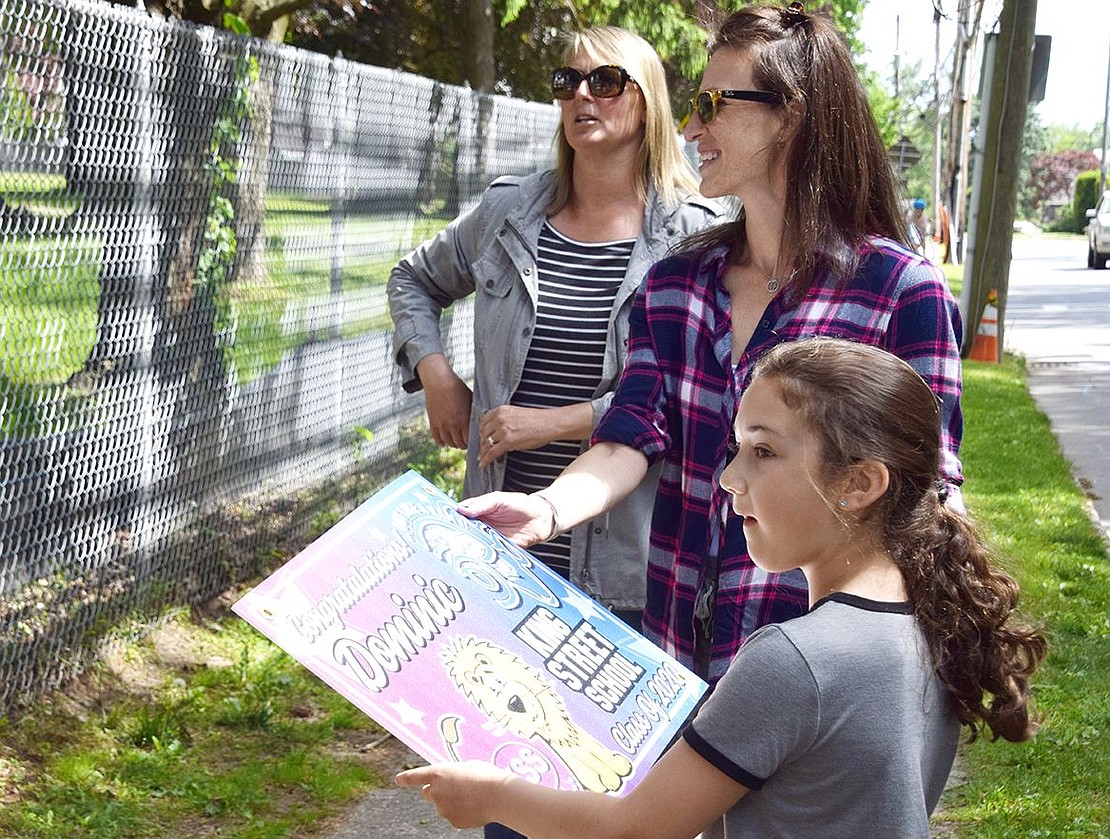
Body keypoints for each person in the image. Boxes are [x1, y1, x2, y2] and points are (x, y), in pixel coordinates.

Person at [457, 2, 965, 685]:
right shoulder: (676, 286)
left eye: (711, 104)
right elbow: (629, 433)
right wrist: (546, 509)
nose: (691, 126)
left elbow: (928, 496)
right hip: (675, 662)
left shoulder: (902, 292)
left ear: (791, 114)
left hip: (815, 671)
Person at [396, 337, 1047, 839]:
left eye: (763, 452)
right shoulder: (928, 618)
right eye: (736, 447)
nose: (729, 478)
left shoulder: (793, 660)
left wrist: (490, 795)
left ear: (859, 483)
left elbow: (641, 827)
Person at [387, 26, 721, 634]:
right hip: (499, 542)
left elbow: (689, 390)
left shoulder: (694, 236)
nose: (582, 97)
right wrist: (434, 374)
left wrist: (560, 422)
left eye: (605, 81)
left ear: (648, 100)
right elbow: (413, 279)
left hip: (622, 563)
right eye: (568, 82)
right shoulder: (509, 212)